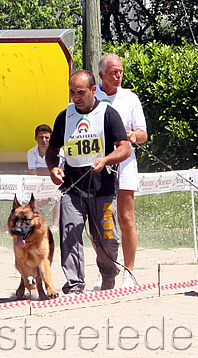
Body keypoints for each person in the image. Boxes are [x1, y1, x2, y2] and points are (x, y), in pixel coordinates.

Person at [46, 70, 131, 294]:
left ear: (94, 90)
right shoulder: (64, 117)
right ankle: (75, 285)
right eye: (72, 92)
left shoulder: (107, 114)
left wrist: (106, 159)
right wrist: (53, 168)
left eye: (81, 92)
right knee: (70, 234)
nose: (76, 97)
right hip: (73, 190)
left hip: (102, 189)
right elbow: (52, 150)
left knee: (107, 239)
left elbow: (124, 148)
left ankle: (108, 275)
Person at [93, 54, 148, 289]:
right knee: (100, 221)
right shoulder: (91, 95)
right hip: (98, 162)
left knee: (126, 219)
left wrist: (134, 136)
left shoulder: (130, 98)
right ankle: (106, 269)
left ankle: (130, 271)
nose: (119, 76)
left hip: (125, 162)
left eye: (121, 71)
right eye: (114, 72)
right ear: (101, 75)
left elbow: (144, 134)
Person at [27, 124, 60, 231]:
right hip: (38, 184)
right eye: (41, 137)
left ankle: (55, 225)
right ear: (36, 138)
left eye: (47, 137)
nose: (44, 140)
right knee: (33, 199)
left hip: (55, 182)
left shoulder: (59, 152)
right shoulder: (31, 153)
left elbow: (59, 173)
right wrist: (40, 192)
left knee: (57, 197)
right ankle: (40, 223)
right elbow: (33, 173)